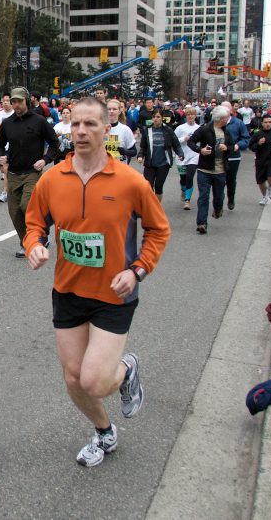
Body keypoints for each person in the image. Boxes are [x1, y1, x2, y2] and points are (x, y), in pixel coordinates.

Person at [23, 96, 170, 468]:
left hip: (114, 293)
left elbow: (158, 230)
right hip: (68, 290)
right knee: (74, 378)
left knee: (95, 381)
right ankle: (104, 431)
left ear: (108, 130)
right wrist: (34, 246)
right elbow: (35, 223)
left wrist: (137, 269)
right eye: (75, 124)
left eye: (91, 124)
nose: (81, 131)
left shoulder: (130, 181)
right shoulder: (53, 179)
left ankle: (126, 369)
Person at [0, 87, 59, 257]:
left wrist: (45, 159)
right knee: (14, 211)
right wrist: (0, 157)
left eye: (19, 101)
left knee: (27, 206)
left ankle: (39, 236)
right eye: (13, 101)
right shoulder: (7, 123)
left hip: (32, 172)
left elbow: (54, 143)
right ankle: (25, 243)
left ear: (26, 101)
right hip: (13, 173)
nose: (16, 105)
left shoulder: (39, 121)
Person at [188, 105, 235, 234]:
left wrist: (227, 148)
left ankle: (218, 209)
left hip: (220, 171)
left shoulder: (226, 132)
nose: (228, 119)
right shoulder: (204, 130)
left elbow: (232, 146)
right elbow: (191, 142)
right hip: (205, 170)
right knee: (203, 197)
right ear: (220, 119)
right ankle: (202, 223)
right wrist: (200, 150)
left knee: (219, 197)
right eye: (226, 118)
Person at [136, 110, 184, 201]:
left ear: (162, 118)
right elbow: (143, 146)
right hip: (150, 163)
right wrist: (140, 155)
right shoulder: (147, 130)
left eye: (158, 117)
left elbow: (176, 144)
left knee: (158, 187)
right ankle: (150, 208)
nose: (156, 119)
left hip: (163, 163)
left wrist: (180, 154)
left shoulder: (168, 130)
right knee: (148, 187)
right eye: (154, 117)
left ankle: (157, 208)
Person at [219, 101, 251, 210]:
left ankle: (231, 198)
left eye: (226, 110)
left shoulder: (238, 123)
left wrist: (238, 145)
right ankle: (219, 201)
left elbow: (246, 138)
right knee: (219, 180)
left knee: (230, 180)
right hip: (218, 157)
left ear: (231, 111)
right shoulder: (215, 123)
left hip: (233, 156)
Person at [249, 114, 271, 205]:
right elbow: (251, 146)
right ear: (262, 123)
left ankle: (270, 188)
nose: (268, 124)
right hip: (260, 160)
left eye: (269, 122)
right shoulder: (258, 134)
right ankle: (264, 197)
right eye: (266, 122)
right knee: (260, 181)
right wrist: (258, 143)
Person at [173, 106, 202, 210]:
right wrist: (183, 139)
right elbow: (174, 140)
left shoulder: (199, 128)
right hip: (182, 156)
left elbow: (202, 141)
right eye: (188, 114)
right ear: (186, 116)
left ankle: (187, 201)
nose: (190, 116)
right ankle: (183, 189)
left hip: (194, 156)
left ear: (195, 115)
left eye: (192, 114)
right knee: (183, 178)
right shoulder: (180, 128)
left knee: (190, 177)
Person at [105, 99, 136, 163]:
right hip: (104, 167)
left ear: (119, 111)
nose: (111, 111)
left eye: (114, 109)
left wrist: (123, 151)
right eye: (109, 109)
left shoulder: (125, 129)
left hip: (120, 167)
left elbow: (134, 152)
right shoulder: (99, 129)